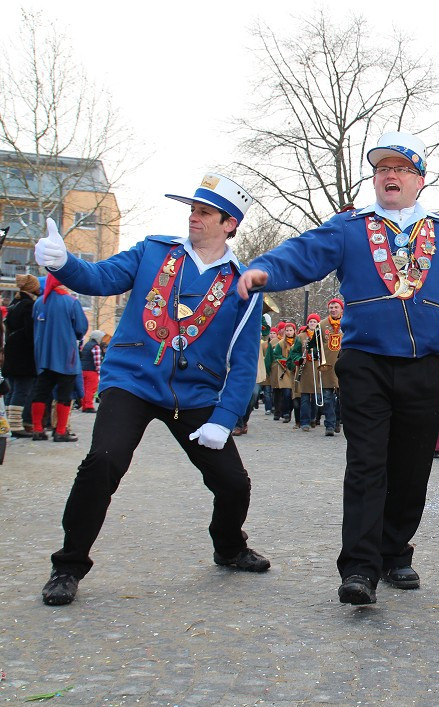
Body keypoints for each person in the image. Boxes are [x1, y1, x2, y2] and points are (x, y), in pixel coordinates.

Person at [235, 131, 439, 605]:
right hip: (365, 361)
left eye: (401, 169)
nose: (390, 176)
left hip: (423, 365)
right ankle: (359, 569)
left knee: (411, 468)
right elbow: (303, 252)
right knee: (366, 463)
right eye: (381, 169)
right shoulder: (349, 227)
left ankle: (395, 553)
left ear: (419, 180)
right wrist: (266, 269)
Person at [32, 172, 270, 606]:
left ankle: (230, 547)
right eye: (193, 209)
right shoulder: (153, 252)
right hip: (133, 382)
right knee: (103, 461)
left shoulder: (244, 285)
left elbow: (242, 364)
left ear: (229, 223)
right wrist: (63, 262)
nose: (193, 217)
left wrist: (224, 418)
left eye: (204, 212)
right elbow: (99, 279)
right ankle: (67, 565)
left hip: (195, 395)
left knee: (234, 484)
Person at [30, 275, 88, 441]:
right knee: (64, 394)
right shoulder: (71, 302)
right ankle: (60, 431)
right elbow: (81, 328)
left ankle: (37, 429)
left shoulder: (39, 302)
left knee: (40, 392)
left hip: (43, 357)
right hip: (65, 356)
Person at [2, 274, 41, 437]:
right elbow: (31, 332)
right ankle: (15, 425)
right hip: (23, 355)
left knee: (11, 389)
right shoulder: (28, 306)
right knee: (22, 389)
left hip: (11, 353)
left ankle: (7, 423)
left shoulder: (14, 304)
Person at [319, 299, 344, 435]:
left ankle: (338, 420)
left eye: (336, 307)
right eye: (331, 307)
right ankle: (329, 424)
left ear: (341, 309)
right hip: (327, 367)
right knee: (328, 398)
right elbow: (315, 344)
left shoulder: (347, 322)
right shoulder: (322, 325)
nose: (333, 309)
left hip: (343, 365)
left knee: (341, 398)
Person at [80, 329, 106, 412]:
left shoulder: (87, 345)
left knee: (84, 388)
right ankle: (89, 406)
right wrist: (99, 372)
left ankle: (84, 405)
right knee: (91, 389)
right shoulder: (96, 347)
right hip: (92, 371)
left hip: (83, 369)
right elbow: (97, 361)